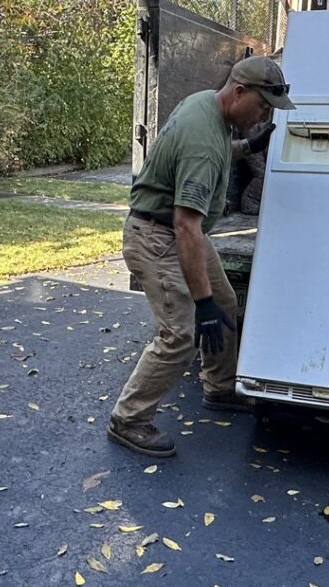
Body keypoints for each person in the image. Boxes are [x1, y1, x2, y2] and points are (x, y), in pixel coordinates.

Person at [108, 55, 295, 458]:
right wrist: (202, 302)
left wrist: (246, 147)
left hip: (176, 231)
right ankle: (129, 418)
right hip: (157, 237)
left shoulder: (204, 104)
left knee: (227, 302)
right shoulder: (203, 144)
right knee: (181, 335)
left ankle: (219, 387)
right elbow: (186, 227)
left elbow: (212, 150)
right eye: (262, 107)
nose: (264, 117)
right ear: (239, 92)